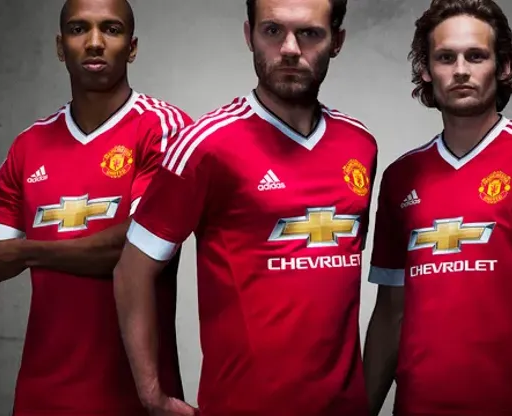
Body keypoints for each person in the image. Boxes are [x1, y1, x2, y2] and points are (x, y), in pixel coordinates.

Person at [112, 0, 378, 415]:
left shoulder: (359, 144)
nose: (289, 49)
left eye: (309, 33)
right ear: (249, 36)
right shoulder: (206, 144)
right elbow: (132, 272)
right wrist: (152, 396)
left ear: (337, 41)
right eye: (272, 31)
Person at [362, 0, 512, 415]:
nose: (460, 70)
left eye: (475, 56)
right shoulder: (401, 176)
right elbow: (391, 311)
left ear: (504, 66)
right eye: (446, 57)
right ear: (427, 70)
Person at [0, 0, 192, 415]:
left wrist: (27, 253)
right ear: (61, 47)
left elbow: (138, 247)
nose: (95, 42)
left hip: (136, 403)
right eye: (79, 29)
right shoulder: (29, 146)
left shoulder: (163, 128)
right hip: (39, 400)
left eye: (111, 29)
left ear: (132, 47)